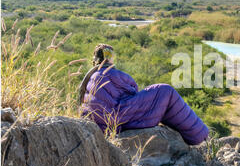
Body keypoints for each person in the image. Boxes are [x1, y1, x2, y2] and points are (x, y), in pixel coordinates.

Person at [79, 44, 209, 145]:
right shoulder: (115, 74)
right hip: (120, 118)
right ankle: (200, 136)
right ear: (111, 59)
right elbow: (133, 90)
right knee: (165, 91)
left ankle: (196, 134)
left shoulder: (91, 77)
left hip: (104, 123)